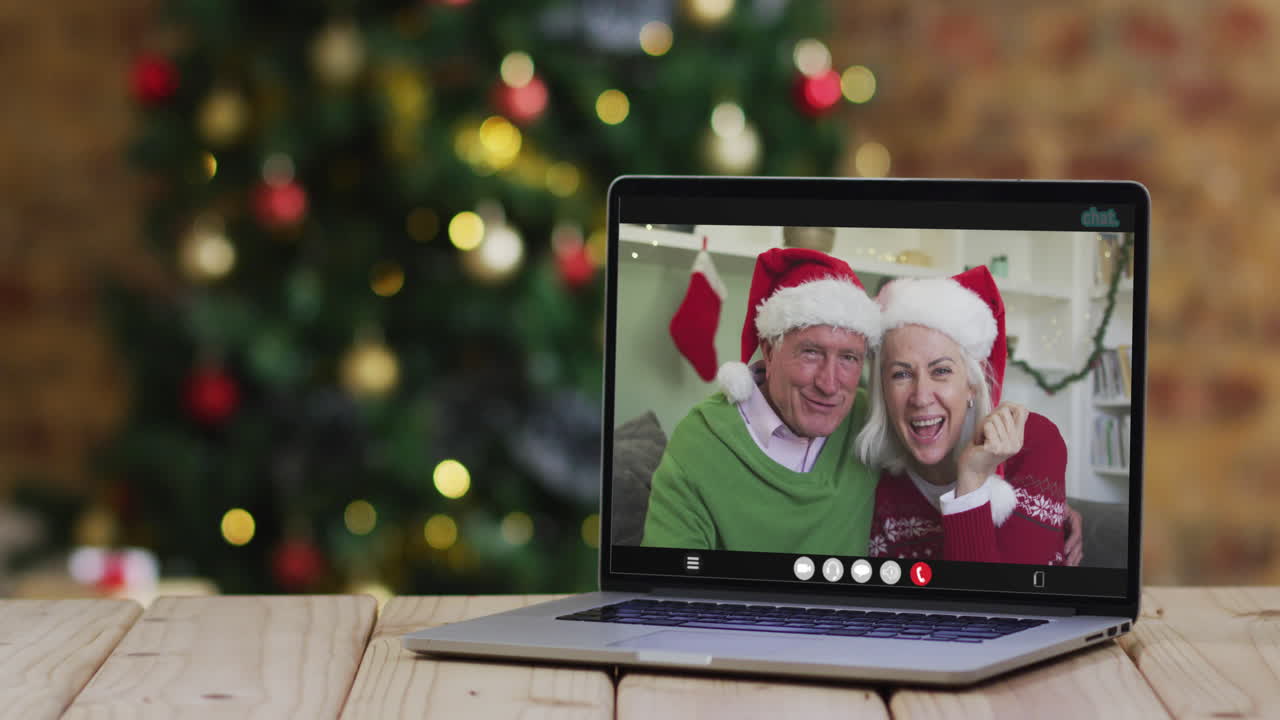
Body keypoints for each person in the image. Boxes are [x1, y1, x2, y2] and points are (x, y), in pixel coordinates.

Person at [642, 247, 882, 554]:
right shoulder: (700, 441)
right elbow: (667, 583)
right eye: (811, 352)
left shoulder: (869, 421)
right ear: (769, 351)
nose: (829, 383)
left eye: (849, 358)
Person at [856, 266, 1078, 565]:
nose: (921, 396)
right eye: (901, 374)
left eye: (942, 371)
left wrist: (971, 480)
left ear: (972, 384)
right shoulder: (874, 475)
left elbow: (999, 605)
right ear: (882, 388)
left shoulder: (1033, 442)